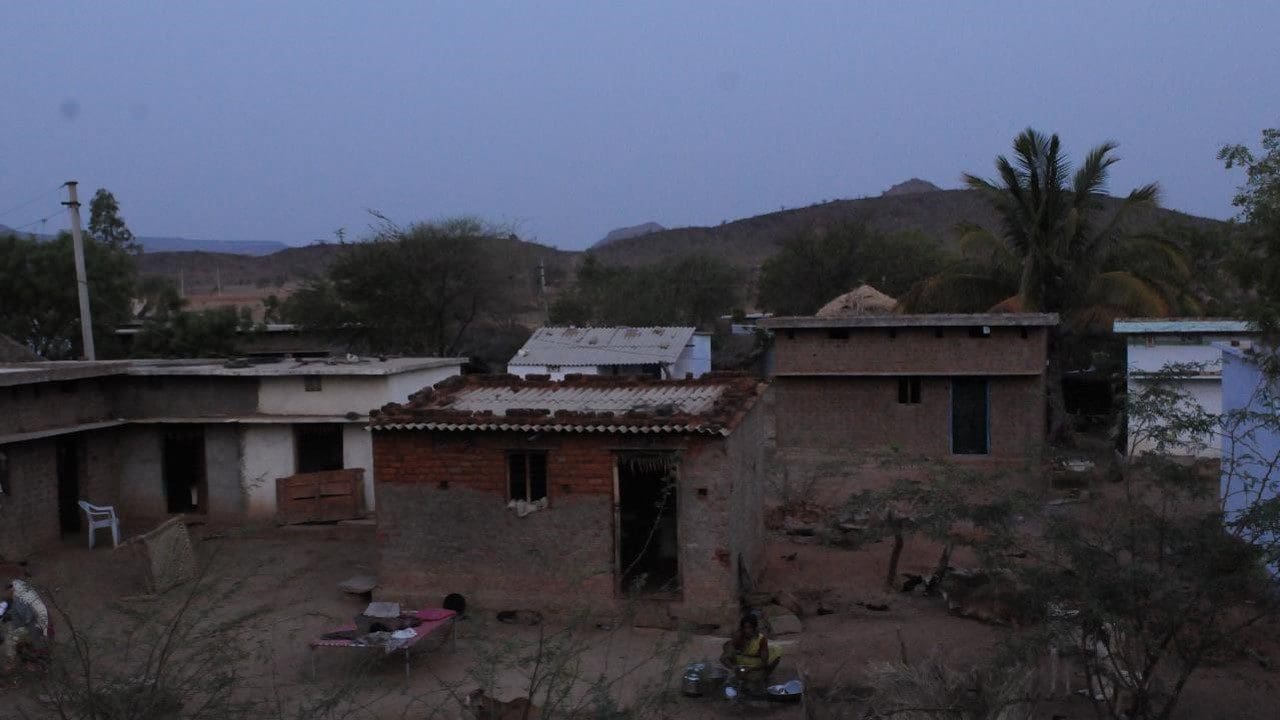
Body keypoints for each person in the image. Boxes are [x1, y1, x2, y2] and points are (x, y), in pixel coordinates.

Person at [720, 614, 781, 687]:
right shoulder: (738, 636)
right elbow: (726, 654)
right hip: (741, 661)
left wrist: (750, 669)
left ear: (754, 628)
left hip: (755, 664)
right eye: (745, 628)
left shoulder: (761, 639)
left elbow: (764, 662)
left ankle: (764, 676)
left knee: (776, 652)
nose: (747, 631)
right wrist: (734, 668)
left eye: (749, 628)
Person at [1, 581, 40, 675]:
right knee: (13, 645)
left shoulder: (20, 599)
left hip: (24, 626)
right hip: (12, 627)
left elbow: (30, 611)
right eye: (9, 590)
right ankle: (13, 664)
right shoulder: (5, 602)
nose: (11, 591)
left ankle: (29, 662)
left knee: (26, 644)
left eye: (12, 589)